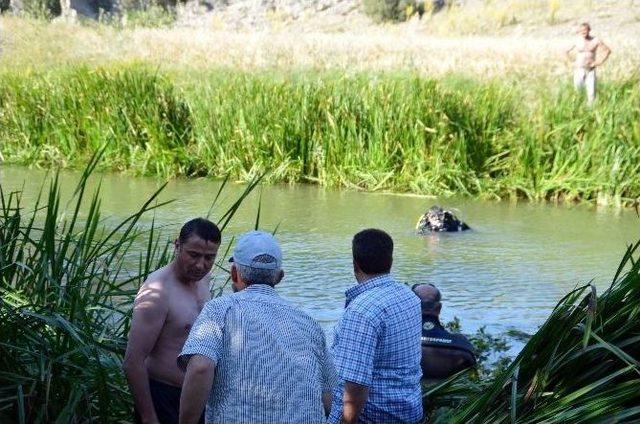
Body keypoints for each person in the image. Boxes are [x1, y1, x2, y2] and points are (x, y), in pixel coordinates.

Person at [177, 230, 336, 424]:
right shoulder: (309, 324)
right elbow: (329, 398)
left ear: (234, 273)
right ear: (279, 277)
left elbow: (201, 367)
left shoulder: (220, 310)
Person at [123, 218, 221, 424]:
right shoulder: (157, 292)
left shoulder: (203, 279)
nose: (201, 264)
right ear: (177, 245)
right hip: (163, 397)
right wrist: (149, 417)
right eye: (193, 255)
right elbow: (133, 362)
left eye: (209, 257)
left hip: (197, 396)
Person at [329, 229, 423, 424]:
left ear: (355, 265)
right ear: (390, 261)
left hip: (373, 417)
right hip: (409, 411)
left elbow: (355, 387)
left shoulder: (361, 312)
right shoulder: (410, 297)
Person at [412, 284, 476, 382]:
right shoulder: (462, 345)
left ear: (410, 307)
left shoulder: (395, 342)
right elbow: (473, 380)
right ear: (439, 308)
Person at [566, 22, 611, 106]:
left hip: (590, 70)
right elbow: (565, 51)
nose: (583, 32)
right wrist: (571, 62)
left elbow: (607, 50)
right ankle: (577, 110)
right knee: (577, 92)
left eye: (585, 30)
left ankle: (591, 112)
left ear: (589, 30)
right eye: (581, 30)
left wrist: (598, 62)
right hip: (579, 69)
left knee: (591, 94)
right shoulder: (577, 41)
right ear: (579, 31)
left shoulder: (595, 40)